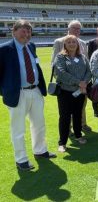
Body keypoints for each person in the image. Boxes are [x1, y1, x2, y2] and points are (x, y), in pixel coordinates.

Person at [0, 20, 56, 171]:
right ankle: (21, 160)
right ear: (14, 31)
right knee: (18, 129)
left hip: (35, 90)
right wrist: (5, 91)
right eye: (23, 31)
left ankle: (40, 151)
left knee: (39, 124)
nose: (27, 34)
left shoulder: (31, 46)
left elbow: (34, 66)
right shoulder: (4, 49)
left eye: (29, 31)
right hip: (18, 93)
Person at [51, 20, 91, 132]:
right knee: (66, 110)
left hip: (82, 84)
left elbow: (86, 63)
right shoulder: (59, 42)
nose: (76, 30)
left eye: (78, 28)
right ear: (68, 29)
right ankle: (67, 129)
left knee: (81, 105)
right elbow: (54, 64)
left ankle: (82, 125)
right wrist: (67, 79)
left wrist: (84, 82)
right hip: (66, 84)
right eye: (74, 28)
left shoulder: (82, 43)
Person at [54, 35, 91, 152]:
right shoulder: (60, 57)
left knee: (77, 115)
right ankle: (62, 142)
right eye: (68, 42)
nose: (71, 44)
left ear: (77, 44)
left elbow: (88, 72)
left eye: (74, 42)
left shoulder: (83, 57)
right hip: (65, 92)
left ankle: (78, 135)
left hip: (80, 92)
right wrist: (78, 82)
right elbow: (61, 73)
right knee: (64, 117)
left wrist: (84, 82)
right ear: (65, 44)